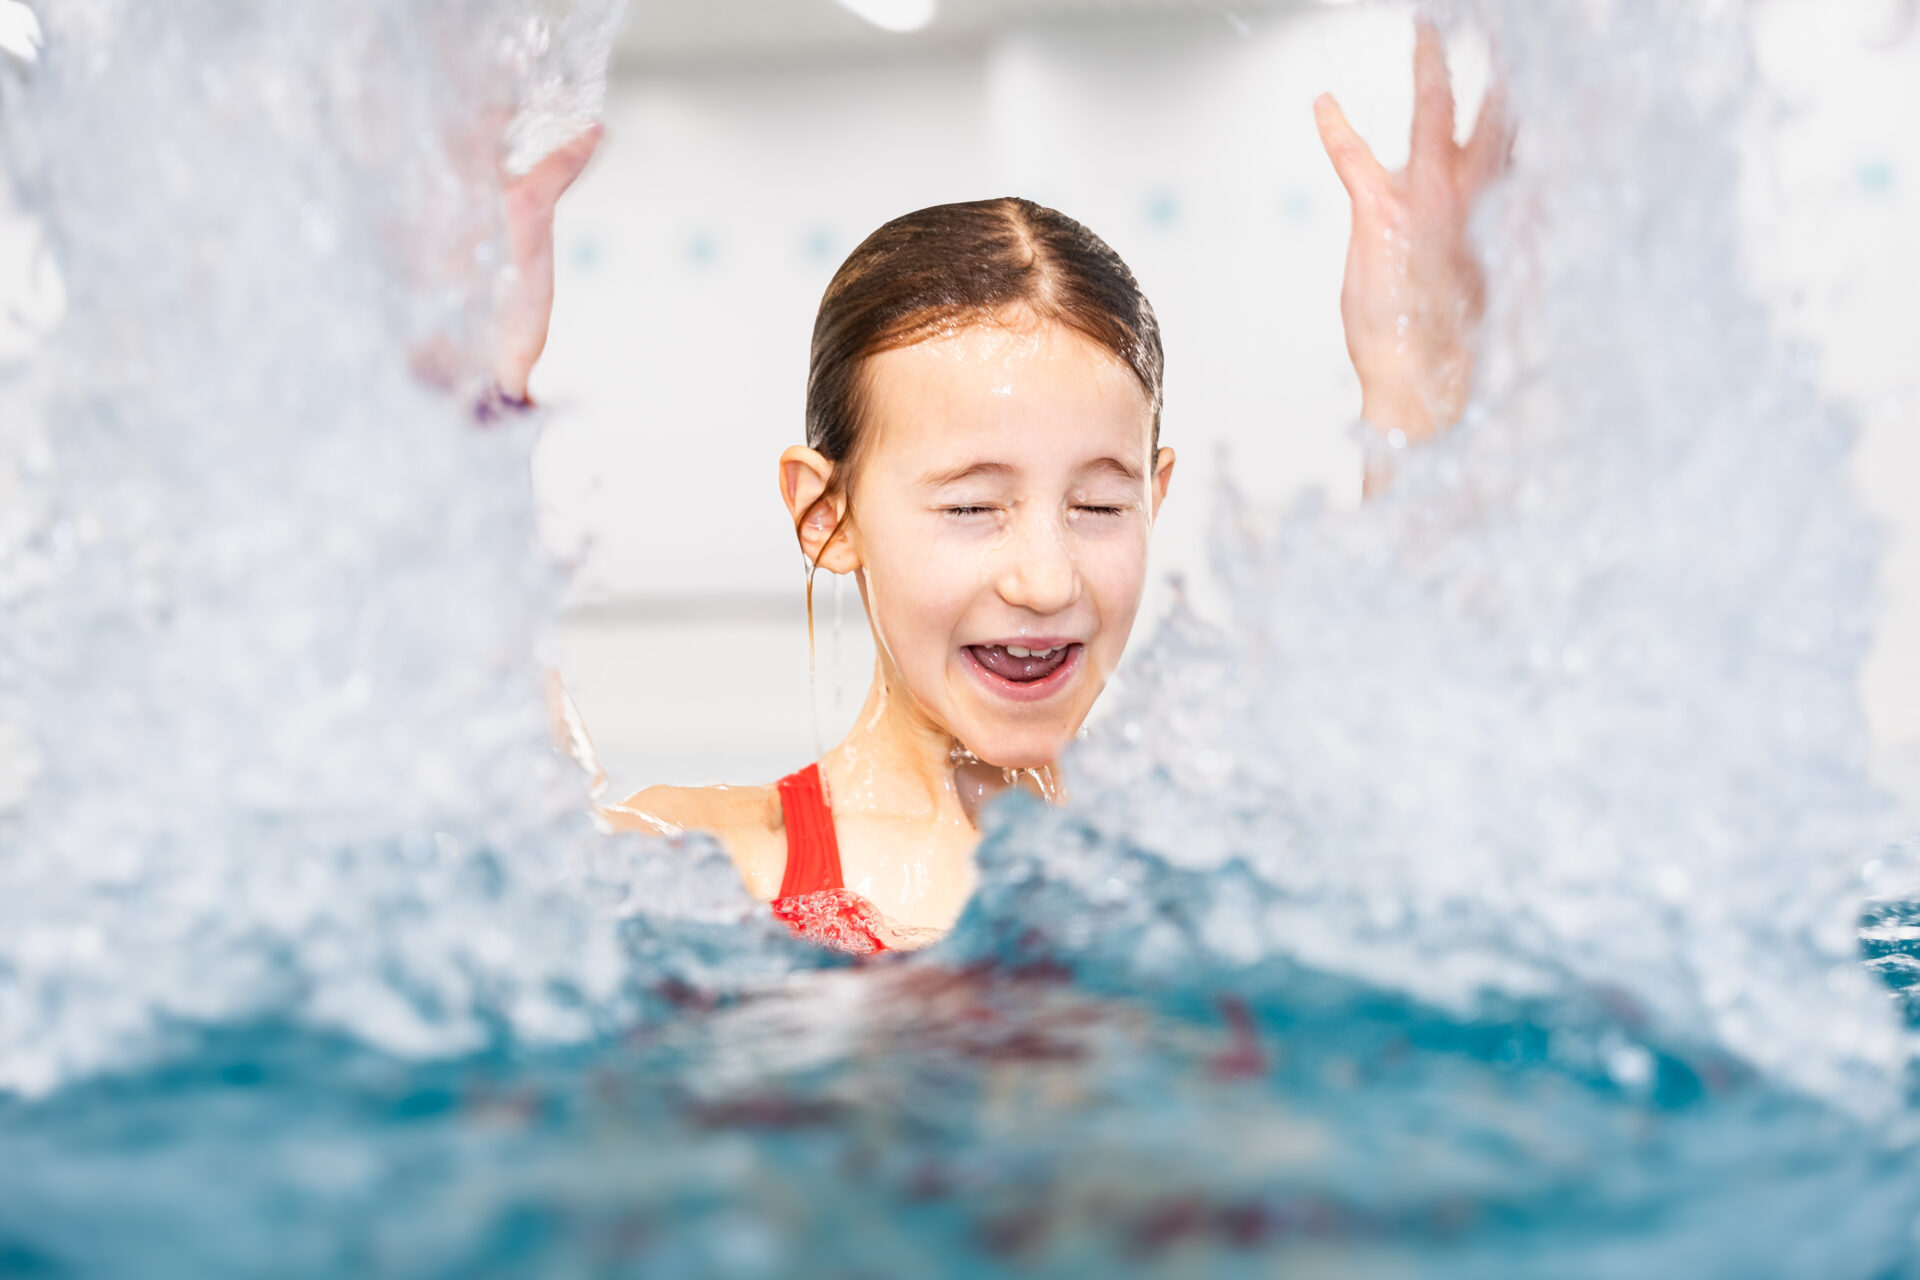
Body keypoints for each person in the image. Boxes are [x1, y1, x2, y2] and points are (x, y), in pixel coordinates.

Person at [498, 23, 1509, 953]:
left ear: (1156, 497)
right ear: (826, 513)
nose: (1044, 576)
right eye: (975, 505)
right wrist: (480, 397)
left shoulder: (1211, 868)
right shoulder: (722, 862)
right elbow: (510, 865)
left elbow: (1436, 783)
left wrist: (1415, 386)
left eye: (1100, 504)